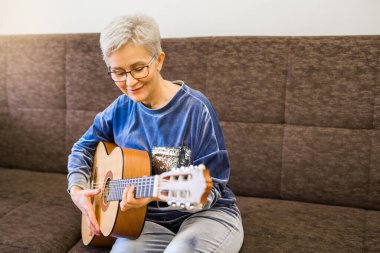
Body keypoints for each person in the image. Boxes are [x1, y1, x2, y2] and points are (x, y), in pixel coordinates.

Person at [67, 13, 244, 253]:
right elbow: (82, 148)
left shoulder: (195, 108)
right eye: (118, 72)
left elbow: (210, 188)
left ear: (159, 60)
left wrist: (154, 194)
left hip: (207, 216)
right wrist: (77, 190)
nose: (129, 82)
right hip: (145, 222)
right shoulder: (120, 108)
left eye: (138, 68)